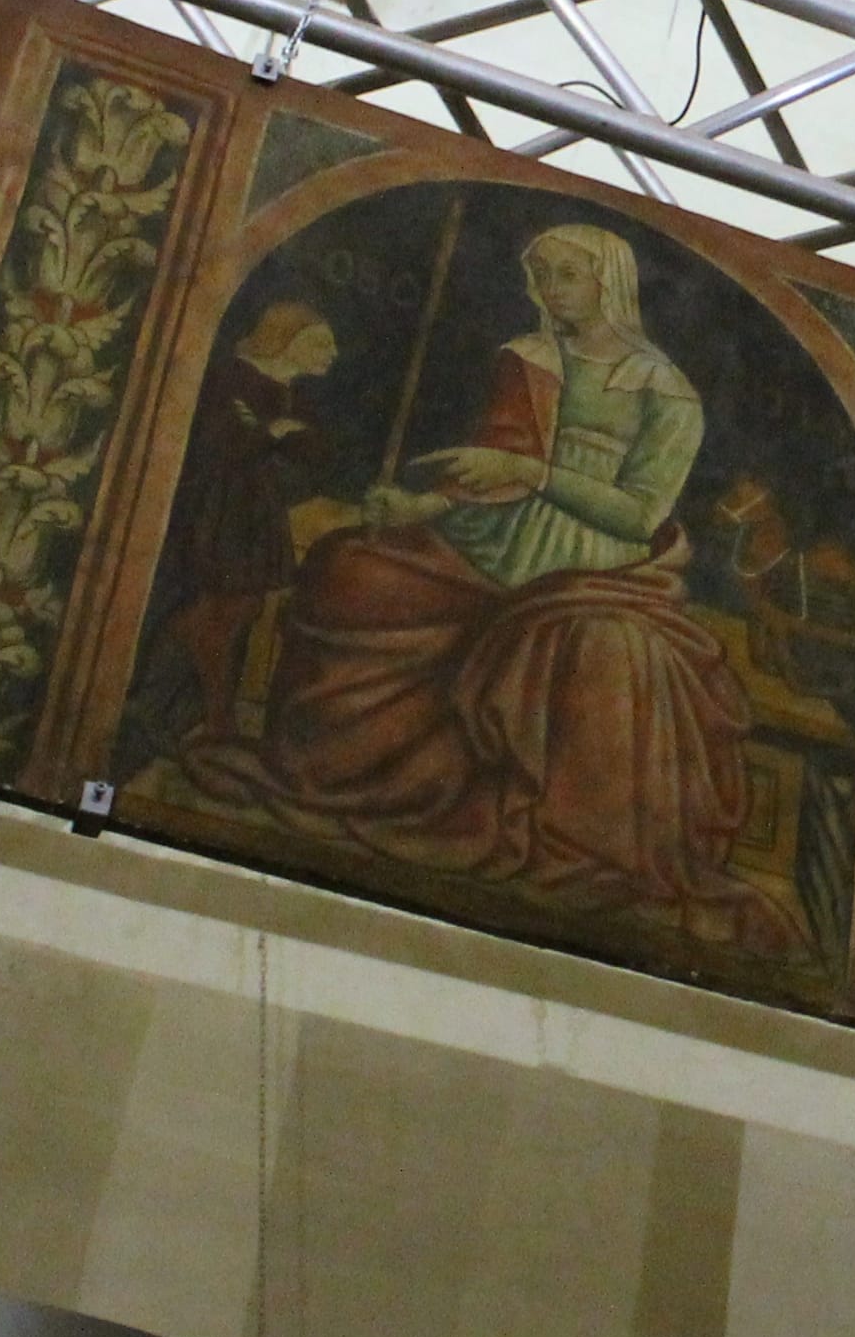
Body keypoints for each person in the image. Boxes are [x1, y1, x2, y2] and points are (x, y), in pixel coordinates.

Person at [215, 224, 804, 956]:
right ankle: (326, 772)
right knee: (348, 568)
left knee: (601, 650)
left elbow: (639, 514)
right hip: (485, 549)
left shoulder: (665, 391)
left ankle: (558, 838)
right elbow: (495, 476)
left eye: (567, 275)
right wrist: (423, 506)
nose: (550, 290)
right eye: (541, 274)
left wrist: (534, 475)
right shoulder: (527, 359)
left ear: (611, 282)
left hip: (595, 574)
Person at [150, 299, 337, 732]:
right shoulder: (233, 380)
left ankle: (199, 713)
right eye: (320, 343)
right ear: (285, 340)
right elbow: (215, 444)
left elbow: (315, 453)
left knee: (241, 611)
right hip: (224, 512)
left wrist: (280, 437)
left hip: (258, 513)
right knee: (222, 613)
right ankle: (195, 712)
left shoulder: (290, 392)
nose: (332, 353)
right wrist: (270, 434)